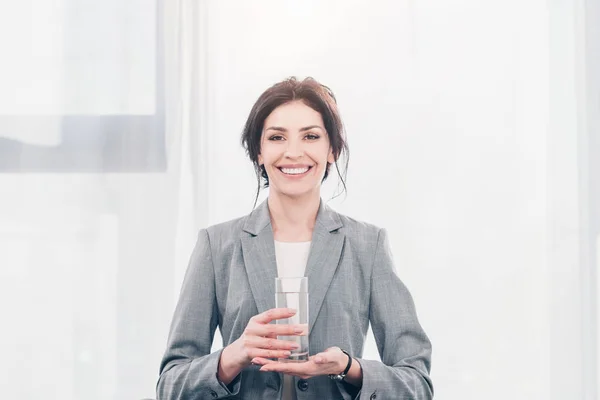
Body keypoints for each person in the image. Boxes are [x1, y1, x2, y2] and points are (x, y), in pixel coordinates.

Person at [156, 77, 433, 400]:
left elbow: (416, 384)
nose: (293, 152)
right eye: (277, 137)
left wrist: (348, 367)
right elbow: (170, 385)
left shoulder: (367, 246)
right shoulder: (216, 246)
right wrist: (232, 357)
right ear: (258, 151)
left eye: (311, 136)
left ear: (332, 150)